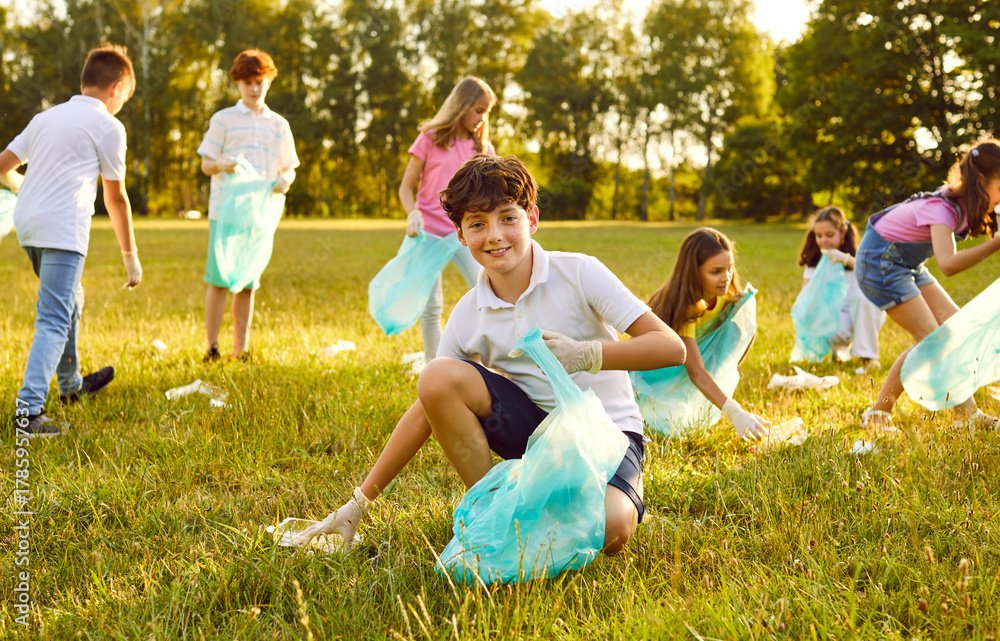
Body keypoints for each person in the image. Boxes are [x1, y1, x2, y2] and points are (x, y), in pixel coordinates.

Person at [294, 155, 686, 555]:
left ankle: (562, 508)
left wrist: (587, 354)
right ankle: (492, 507)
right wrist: (360, 502)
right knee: (437, 374)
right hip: (535, 439)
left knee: (612, 530)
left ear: (532, 219)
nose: (495, 235)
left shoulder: (581, 272)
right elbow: (429, 402)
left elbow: (672, 348)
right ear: (461, 236)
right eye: (477, 224)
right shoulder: (467, 313)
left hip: (609, 434)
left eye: (507, 218)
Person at [1, 44, 141, 437]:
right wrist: (130, 257)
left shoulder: (45, 117)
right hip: (63, 230)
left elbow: (3, 166)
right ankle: (28, 413)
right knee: (54, 317)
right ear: (116, 88)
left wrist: (27, 188)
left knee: (69, 300)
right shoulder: (109, 127)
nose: (121, 106)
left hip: (28, 224)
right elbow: (115, 198)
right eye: (125, 98)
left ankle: (71, 386)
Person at [856, 139, 1000, 432]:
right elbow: (948, 265)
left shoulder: (961, 205)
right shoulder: (943, 209)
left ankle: (967, 415)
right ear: (982, 181)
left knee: (953, 331)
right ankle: (877, 413)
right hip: (879, 262)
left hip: (903, 263)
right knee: (931, 339)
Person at [197, 48, 298, 361]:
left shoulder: (278, 125)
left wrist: (286, 180)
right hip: (225, 212)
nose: (254, 87)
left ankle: (239, 349)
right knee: (219, 279)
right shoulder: (223, 119)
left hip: (259, 216)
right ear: (237, 84)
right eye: (248, 82)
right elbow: (206, 164)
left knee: (248, 282)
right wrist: (222, 164)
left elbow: (288, 166)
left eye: (260, 81)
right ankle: (212, 347)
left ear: (268, 81)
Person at [398, 77, 497, 361]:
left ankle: (482, 361)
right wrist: (412, 213)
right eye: (478, 110)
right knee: (431, 307)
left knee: (484, 293)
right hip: (427, 233)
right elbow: (406, 186)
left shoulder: (483, 150)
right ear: (461, 106)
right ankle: (434, 364)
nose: (482, 118)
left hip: (466, 235)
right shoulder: (430, 139)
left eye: (486, 112)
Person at [646, 228, 771, 441]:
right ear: (694, 272)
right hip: (658, 375)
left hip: (694, 364)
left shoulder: (726, 296)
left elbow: (735, 346)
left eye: (729, 268)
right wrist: (734, 412)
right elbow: (695, 370)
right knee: (665, 424)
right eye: (716, 272)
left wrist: (741, 312)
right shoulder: (685, 306)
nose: (726, 277)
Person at [796, 206, 885, 367]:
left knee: (863, 297)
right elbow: (805, 296)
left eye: (829, 235)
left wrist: (846, 260)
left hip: (865, 312)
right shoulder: (815, 261)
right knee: (823, 323)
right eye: (819, 236)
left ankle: (868, 356)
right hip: (837, 315)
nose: (823, 240)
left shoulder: (859, 255)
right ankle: (838, 350)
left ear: (843, 233)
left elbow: (876, 277)